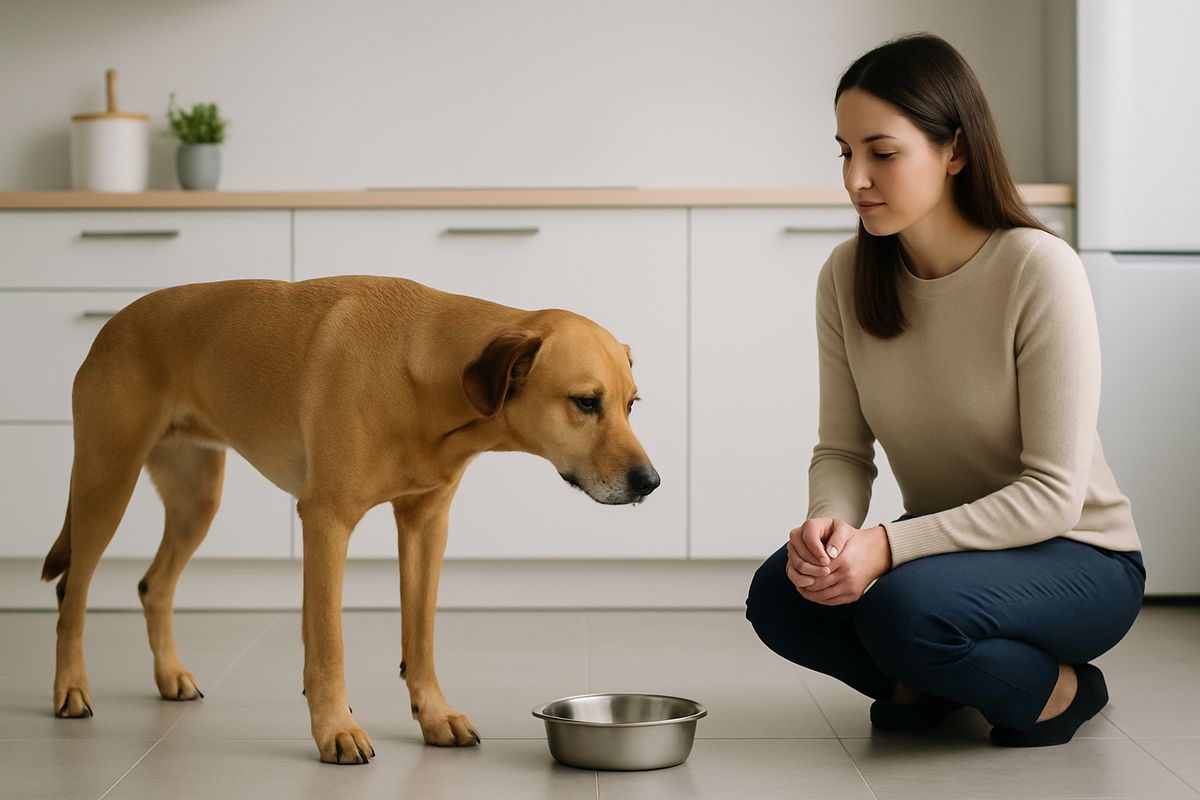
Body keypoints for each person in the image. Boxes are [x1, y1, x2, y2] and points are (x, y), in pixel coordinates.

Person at [744, 33, 1145, 747]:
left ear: (953, 151)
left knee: (901, 611)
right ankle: (930, 675)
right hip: (953, 557)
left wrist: (888, 548)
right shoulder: (846, 275)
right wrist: (830, 530)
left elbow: (1054, 494)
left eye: (882, 152)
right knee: (783, 595)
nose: (855, 179)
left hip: (1080, 555)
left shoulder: (1038, 269)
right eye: (845, 151)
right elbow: (842, 448)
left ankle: (1064, 691)